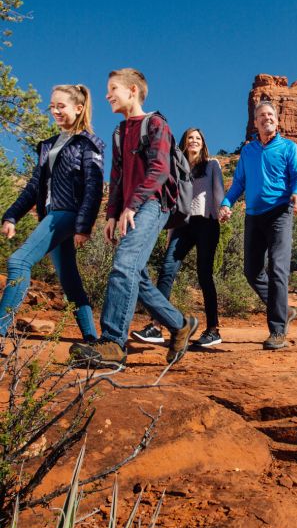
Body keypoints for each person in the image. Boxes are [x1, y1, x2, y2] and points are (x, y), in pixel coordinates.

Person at [69, 68, 197, 369]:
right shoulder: (119, 132)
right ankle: (179, 324)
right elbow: (117, 177)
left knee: (124, 265)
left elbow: (160, 171)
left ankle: (113, 342)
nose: (107, 95)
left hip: (154, 204)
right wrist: (112, 214)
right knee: (135, 275)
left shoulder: (156, 124)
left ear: (133, 90)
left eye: (113, 88)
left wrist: (132, 206)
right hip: (129, 208)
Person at [0, 84, 104, 343]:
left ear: (79, 108)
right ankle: (91, 341)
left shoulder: (88, 143)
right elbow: (34, 186)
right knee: (69, 281)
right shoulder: (48, 145)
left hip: (67, 213)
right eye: (52, 106)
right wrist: (12, 216)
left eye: (62, 106)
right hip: (51, 214)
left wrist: (83, 225)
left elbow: (93, 186)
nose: (55, 111)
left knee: (18, 262)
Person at [219, 101, 297, 350]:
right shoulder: (248, 151)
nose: (266, 118)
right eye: (261, 116)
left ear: (277, 121)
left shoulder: (289, 147)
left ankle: (277, 331)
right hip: (254, 216)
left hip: (280, 212)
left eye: (270, 115)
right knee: (252, 271)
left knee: (278, 269)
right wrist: (227, 203)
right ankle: (284, 310)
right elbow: (239, 183)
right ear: (255, 123)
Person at [132, 127, 224, 347]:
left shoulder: (212, 165)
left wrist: (223, 210)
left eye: (198, 138)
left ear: (203, 143)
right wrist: (170, 231)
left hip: (206, 222)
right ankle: (156, 326)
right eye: (190, 138)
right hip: (182, 225)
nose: (194, 141)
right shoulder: (177, 169)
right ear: (184, 142)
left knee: (204, 275)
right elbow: (174, 202)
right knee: (167, 270)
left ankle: (213, 330)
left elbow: (218, 191)